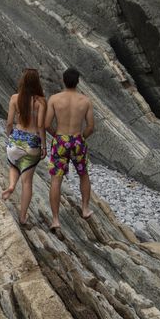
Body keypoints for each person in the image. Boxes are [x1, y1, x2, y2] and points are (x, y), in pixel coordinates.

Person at [45, 68, 94, 235]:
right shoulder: (85, 100)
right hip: (77, 139)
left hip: (61, 139)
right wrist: (81, 138)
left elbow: (46, 124)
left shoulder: (55, 99)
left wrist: (57, 137)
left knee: (56, 179)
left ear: (63, 81)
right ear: (78, 81)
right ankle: (85, 208)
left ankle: (55, 220)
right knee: (83, 174)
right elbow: (90, 126)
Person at [2, 68, 47, 225]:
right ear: (37, 83)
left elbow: (9, 123)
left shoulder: (15, 98)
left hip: (16, 140)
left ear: (22, 81)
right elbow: (41, 126)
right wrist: (44, 146)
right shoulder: (41, 101)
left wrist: (10, 136)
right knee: (27, 181)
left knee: (14, 164)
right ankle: (22, 217)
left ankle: (11, 185)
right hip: (32, 143)